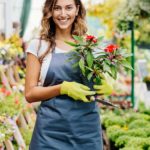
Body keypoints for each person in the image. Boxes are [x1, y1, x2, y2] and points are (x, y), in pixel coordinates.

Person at [25, 0, 112, 149]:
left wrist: (106, 87)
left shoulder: (90, 46)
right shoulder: (39, 45)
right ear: (50, 11)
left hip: (86, 133)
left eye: (68, 8)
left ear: (77, 9)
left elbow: (98, 84)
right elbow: (30, 94)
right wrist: (61, 88)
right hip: (49, 134)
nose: (63, 14)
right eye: (57, 8)